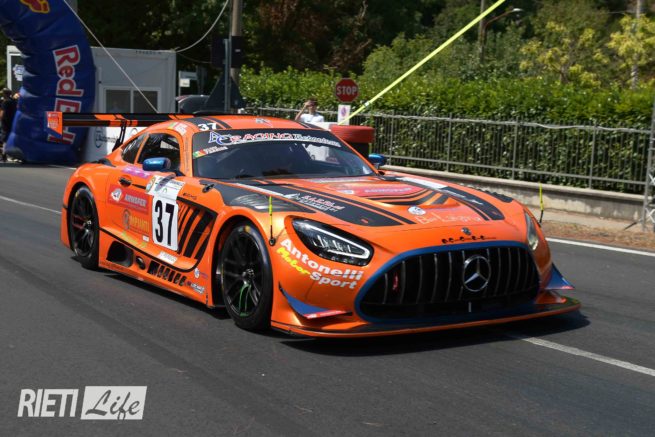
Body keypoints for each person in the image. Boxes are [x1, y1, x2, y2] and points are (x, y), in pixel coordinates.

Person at [0, 88, 18, 162]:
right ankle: (12, 155)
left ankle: (4, 155)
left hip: (5, 123)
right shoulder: (14, 101)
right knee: (10, 138)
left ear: (5, 94)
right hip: (13, 122)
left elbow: (2, 114)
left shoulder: (5, 102)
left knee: (5, 140)